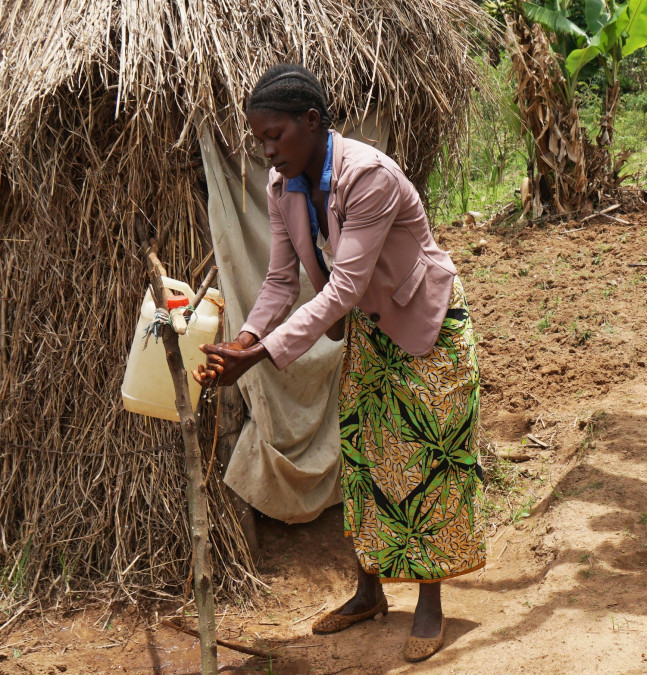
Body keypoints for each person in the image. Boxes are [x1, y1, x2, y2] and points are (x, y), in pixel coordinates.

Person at [193, 64, 484, 663]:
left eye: (276, 136)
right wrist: (243, 338)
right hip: (371, 333)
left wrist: (259, 357)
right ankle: (369, 592)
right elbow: (279, 280)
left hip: (422, 324)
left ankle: (430, 603)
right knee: (364, 452)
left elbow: (344, 287)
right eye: (259, 140)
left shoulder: (369, 177)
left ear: (313, 122)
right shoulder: (285, 187)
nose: (268, 151)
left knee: (426, 456)